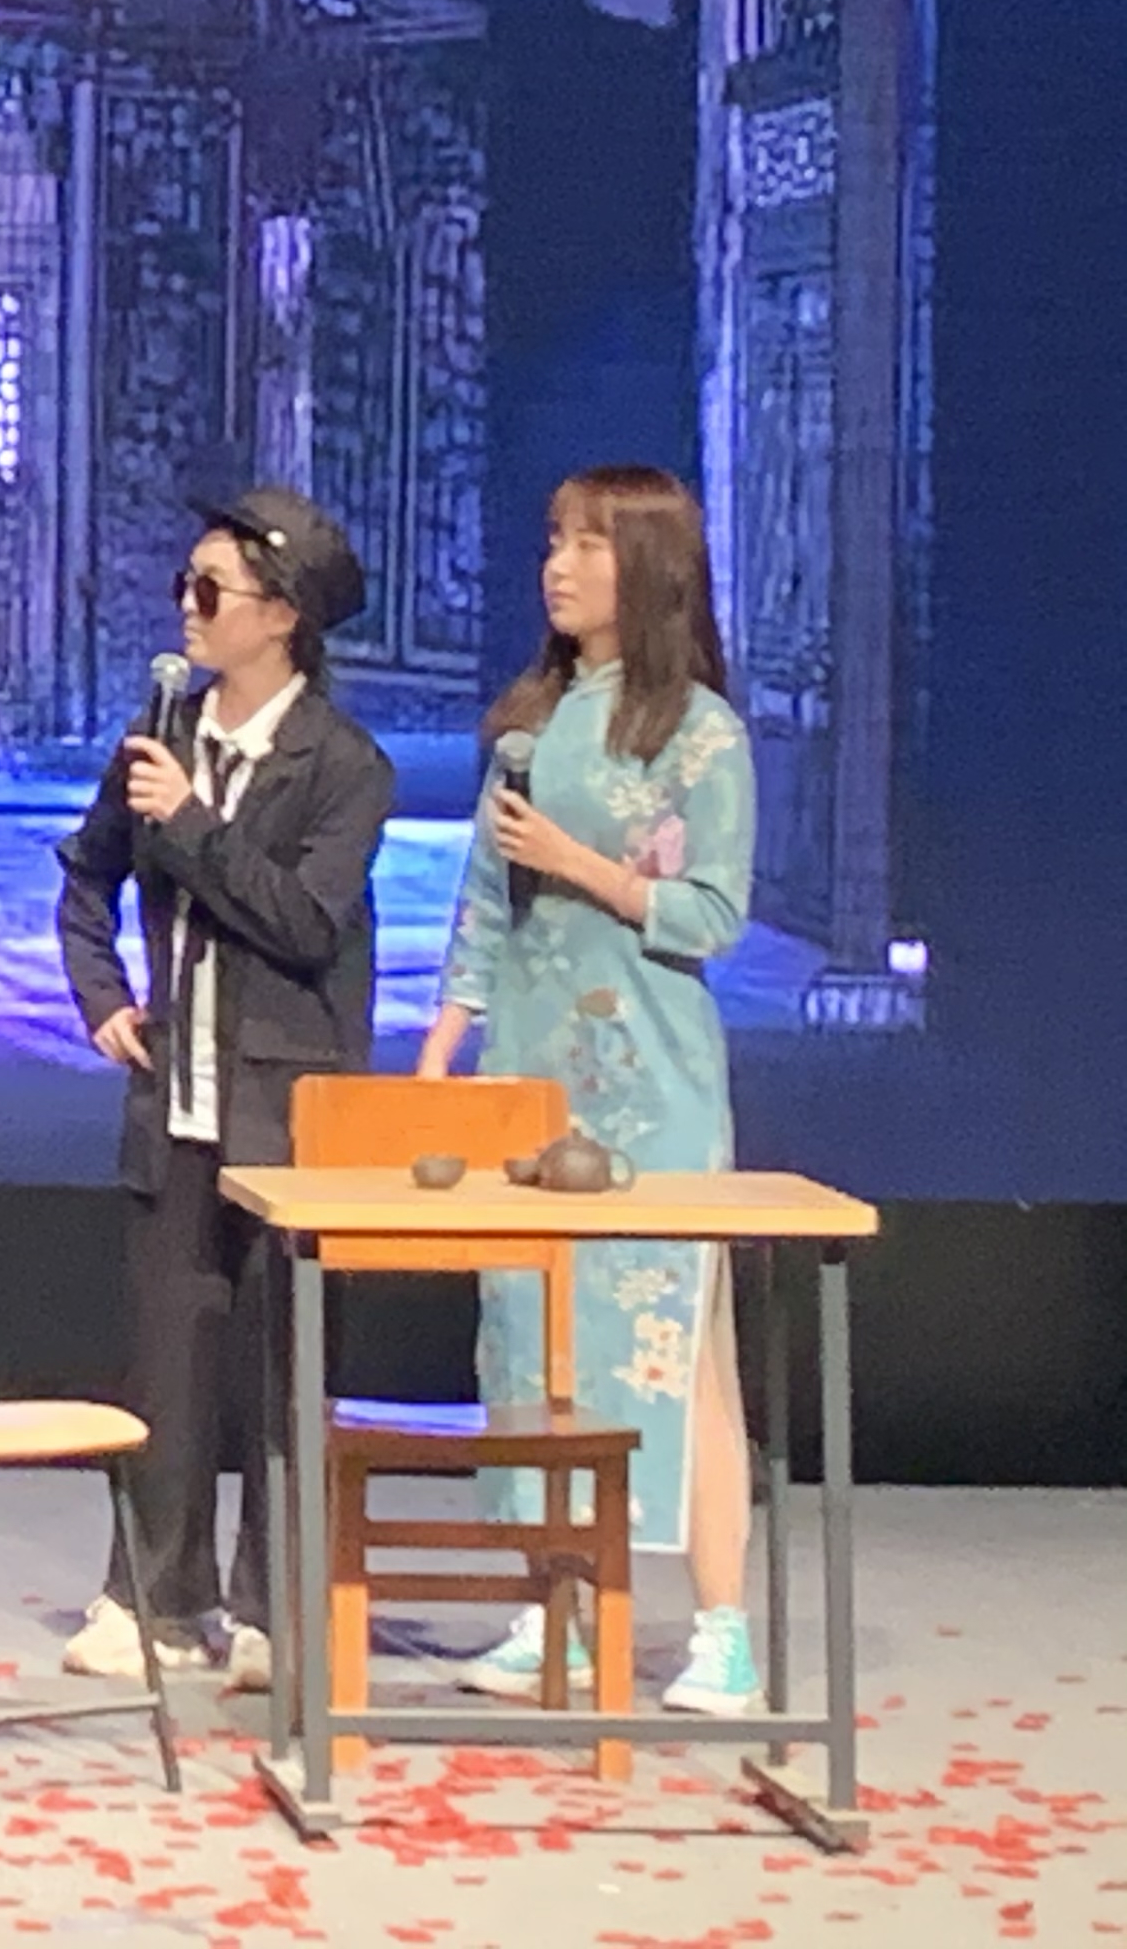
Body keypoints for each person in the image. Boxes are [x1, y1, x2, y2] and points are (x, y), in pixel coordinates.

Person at [416, 466, 764, 1717]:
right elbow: (483, 899)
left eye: (588, 546)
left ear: (650, 568)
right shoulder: (532, 723)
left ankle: (721, 1628)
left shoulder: (701, 734)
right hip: (529, 1070)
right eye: (553, 541)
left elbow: (714, 913)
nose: (557, 567)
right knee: (529, 1341)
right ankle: (550, 1609)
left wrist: (583, 865)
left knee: (682, 1350)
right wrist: (445, 1036)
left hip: (652, 1082)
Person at [55, 486, 394, 1695]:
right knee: (168, 1359)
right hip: (176, 1102)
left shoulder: (343, 767)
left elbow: (303, 921)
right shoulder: (159, 740)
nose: (188, 610)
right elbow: (86, 877)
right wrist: (103, 995)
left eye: (212, 590)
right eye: (185, 586)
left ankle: (272, 1604)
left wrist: (193, 823)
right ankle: (154, 1594)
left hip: (290, 1110)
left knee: (284, 1363)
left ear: (282, 615)